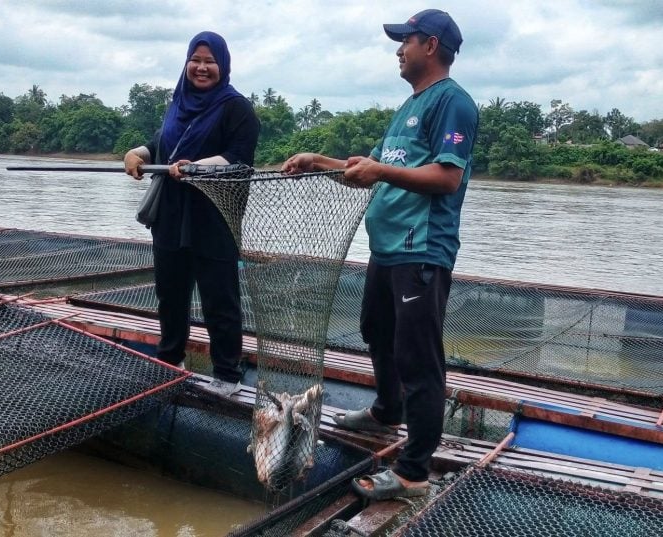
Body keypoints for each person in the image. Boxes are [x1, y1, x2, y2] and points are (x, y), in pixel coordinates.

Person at [281, 9, 477, 501]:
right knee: (375, 329)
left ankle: (413, 473)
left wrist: (381, 173)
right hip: (388, 250)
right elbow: (364, 168)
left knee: (419, 358)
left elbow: (447, 177)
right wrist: (318, 161)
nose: (398, 49)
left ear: (430, 46)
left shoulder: (452, 103)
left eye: (404, 41)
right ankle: (387, 412)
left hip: (422, 249)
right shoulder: (408, 106)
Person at [124, 31, 260, 397]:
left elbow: (239, 157)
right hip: (171, 213)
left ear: (223, 66)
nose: (201, 68)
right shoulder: (177, 103)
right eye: (195, 60)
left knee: (220, 298)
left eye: (209, 61)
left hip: (214, 215)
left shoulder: (236, 108)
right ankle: (170, 362)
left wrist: (196, 167)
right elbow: (161, 144)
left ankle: (227, 375)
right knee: (170, 293)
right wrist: (137, 154)